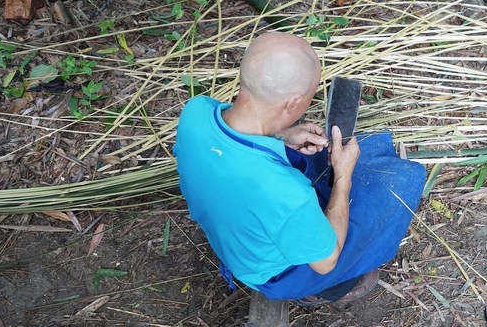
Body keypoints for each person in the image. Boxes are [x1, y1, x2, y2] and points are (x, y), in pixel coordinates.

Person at [174, 31, 425, 304]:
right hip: (273, 273)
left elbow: (233, 144)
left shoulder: (195, 112)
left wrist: (281, 136)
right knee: (394, 186)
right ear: (293, 102)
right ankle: (327, 289)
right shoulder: (284, 193)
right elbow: (325, 261)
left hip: (233, 233)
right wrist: (343, 176)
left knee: (312, 166)